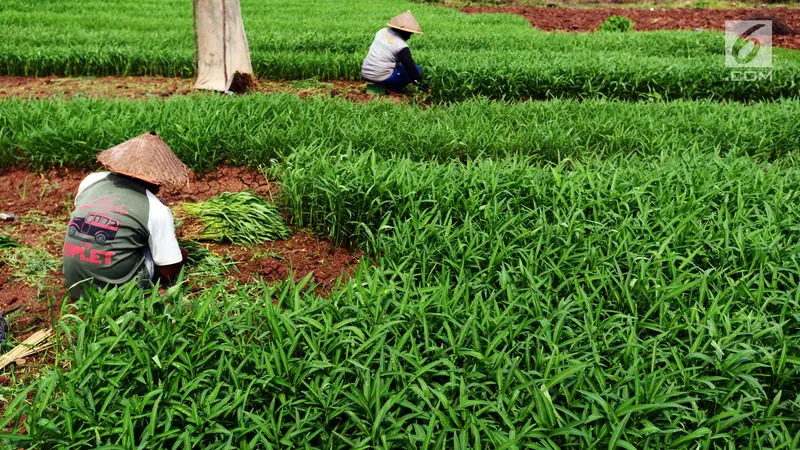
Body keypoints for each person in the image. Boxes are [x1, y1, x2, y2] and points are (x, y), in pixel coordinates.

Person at [63, 131, 190, 300]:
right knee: (166, 252)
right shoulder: (155, 208)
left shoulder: (91, 181)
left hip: (74, 284)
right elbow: (168, 269)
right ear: (157, 181)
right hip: (116, 296)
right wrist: (181, 255)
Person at [362, 10, 424, 93]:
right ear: (404, 31)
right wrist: (421, 85)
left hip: (365, 73)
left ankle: (379, 87)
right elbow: (411, 68)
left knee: (398, 65)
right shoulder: (401, 45)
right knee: (417, 69)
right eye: (409, 33)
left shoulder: (382, 31)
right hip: (380, 77)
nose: (410, 37)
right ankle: (392, 90)